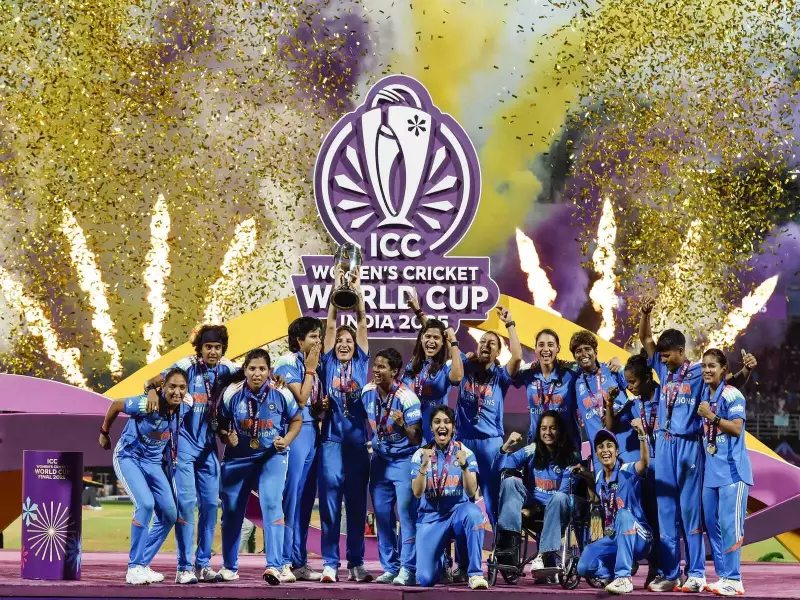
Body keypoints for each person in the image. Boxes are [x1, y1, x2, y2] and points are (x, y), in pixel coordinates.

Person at [638, 296, 755, 593]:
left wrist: (746, 371)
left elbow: (728, 385)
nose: (663, 360)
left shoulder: (699, 372)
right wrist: (645, 314)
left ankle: (697, 573)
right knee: (666, 512)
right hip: (664, 445)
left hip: (690, 446)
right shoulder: (663, 367)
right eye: (661, 357)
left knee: (691, 512)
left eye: (667, 356)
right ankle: (670, 573)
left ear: (681, 351)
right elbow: (646, 339)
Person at [141, 325, 238, 583]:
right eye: (208, 347)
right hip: (182, 445)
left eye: (217, 347)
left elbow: (253, 374)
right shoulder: (187, 365)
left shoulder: (227, 368)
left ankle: (202, 565)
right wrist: (150, 390)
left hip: (208, 447)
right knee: (186, 505)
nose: (213, 352)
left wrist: (276, 378)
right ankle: (183, 567)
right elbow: (153, 381)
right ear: (200, 348)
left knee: (210, 505)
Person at [217, 348, 303, 585]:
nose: (257, 373)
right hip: (238, 458)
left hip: (271, 456)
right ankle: (229, 567)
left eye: (262, 369)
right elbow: (221, 422)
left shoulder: (281, 391)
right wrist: (226, 436)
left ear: (269, 371)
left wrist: (287, 440)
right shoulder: (232, 392)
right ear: (245, 370)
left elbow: (297, 420)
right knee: (231, 512)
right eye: (252, 368)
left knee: (272, 504)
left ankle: (275, 566)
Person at [99, 368, 190, 585]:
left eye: (182, 387)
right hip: (129, 457)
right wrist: (104, 433)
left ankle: (142, 564)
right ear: (163, 387)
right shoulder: (146, 404)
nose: (177, 392)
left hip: (153, 463)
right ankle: (133, 568)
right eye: (172, 387)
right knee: (146, 504)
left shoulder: (185, 406)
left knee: (169, 514)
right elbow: (115, 405)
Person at [316, 272, 372, 583]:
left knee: (356, 505)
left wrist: (357, 290)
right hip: (331, 442)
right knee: (329, 504)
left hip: (357, 444)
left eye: (349, 341)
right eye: (340, 341)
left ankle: (356, 562)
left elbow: (361, 322)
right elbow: (330, 325)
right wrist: (337, 291)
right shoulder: (327, 363)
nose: (344, 344)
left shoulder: (362, 363)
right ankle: (329, 562)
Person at [455, 306, 522, 538]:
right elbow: (447, 349)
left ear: (498, 352)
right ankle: (463, 556)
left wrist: (510, 324)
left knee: (493, 500)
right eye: (482, 341)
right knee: (462, 499)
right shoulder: (464, 366)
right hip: (463, 442)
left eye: (492, 343)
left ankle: (500, 550)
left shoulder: (501, 376)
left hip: (491, 444)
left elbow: (518, 357)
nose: (485, 345)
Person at [362, 348, 423, 586]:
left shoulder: (407, 398)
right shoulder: (367, 392)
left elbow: (417, 438)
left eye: (382, 367)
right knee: (382, 516)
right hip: (380, 460)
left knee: (406, 517)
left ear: (395, 371)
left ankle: (408, 568)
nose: (376, 370)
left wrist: (402, 426)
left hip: (404, 460)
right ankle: (390, 567)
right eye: (375, 366)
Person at [411, 405, 488, 590]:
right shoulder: (420, 454)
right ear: (431, 428)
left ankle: (475, 574)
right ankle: (442, 562)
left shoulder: (465, 452)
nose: (442, 426)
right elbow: (417, 492)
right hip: (431, 518)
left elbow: (471, 492)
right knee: (425, 578)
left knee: (474, 514)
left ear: (453, 427)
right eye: (437, 422)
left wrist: (464, 467)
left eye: (447, 422)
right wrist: (424, 466)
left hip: (457, 514)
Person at [492, 410, 580, 573]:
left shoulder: (572, 456)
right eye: (543, 428)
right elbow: (502, 467)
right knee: (510, 481)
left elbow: (565, 491)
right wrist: (507, 446)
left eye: (553, 428)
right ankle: (508, 543)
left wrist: (535, 509)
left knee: (559, 496)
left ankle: (542, 555)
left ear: (560, 430)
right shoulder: (531, 449)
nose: (548, 432)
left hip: (558, 513)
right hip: (533, 509)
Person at [698, 349, 753, 596]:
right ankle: (724, 577)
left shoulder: (733, 394)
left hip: (733, 473)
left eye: (712, 366)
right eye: (704, 366)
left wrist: (711, 416)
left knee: (731, 526)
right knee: (713, 526)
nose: (707, 370)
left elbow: (736, 428)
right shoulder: (704, 393)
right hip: (711, 474)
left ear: (723, 370)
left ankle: (734, 579)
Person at [273, 317, 323, 582]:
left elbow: (311, 401)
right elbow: (301, 399)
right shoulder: (288, 361)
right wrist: (311, 370)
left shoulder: (310, 363)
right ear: (298, 340)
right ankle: (282, 561)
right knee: (290, 499)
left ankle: (299, 561)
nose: (318, 341)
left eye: (319, 336)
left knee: (304, 501)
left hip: (312, 431)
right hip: (296, 432)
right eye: (313, 336)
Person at [605, 352, 660, 586]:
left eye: (633, 382)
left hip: (665, 471)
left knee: (663, 523)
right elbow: (609, 427)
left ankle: (665, 570)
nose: (630, 387)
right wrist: (609, 403)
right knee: (645, 519)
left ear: (647, 378)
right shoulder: (634, 404)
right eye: (627, 382)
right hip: (644, 473)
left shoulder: (665, 398)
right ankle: (650, 568)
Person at [576, 427, 652, 595]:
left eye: (609, 446)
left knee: (623, 514)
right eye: (600, 447)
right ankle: (613, 573)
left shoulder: (627, 470)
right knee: (583, 566)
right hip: (615, 537)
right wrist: (587, 478)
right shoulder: (599, 478)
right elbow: (597, 500)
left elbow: (644, 463)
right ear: (596, 453)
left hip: (639, 536)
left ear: (617, 451)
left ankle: (624, 578)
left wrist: (641, 436)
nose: (605, 450)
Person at [404, 291, 464, 443]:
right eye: (427, 337)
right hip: (410, 434)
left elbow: (457, 378)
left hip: (434, 437)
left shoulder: (446, 365)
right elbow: (430, 329)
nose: (431, 341)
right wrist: (418, 311)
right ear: (421, 338)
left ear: (443, 342)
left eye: (437, 338)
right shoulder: (413, 365)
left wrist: (453, 341)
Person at [569, 330, 627, 474]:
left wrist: (620, 363)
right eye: (578, 351)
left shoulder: (612, 369)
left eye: (587, 349)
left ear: (595, 351)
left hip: (625, 446)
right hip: (600, 454)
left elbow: (637, 385)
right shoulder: (574, 383)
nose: (583, 354)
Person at [513, 329, 581, 450]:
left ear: (558, 348)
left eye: (550, 345)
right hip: (537, 446)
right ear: (535, 348)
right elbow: (502, 374)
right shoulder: (526, 372)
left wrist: (615, 362)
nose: (545, 349)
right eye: (541, 345)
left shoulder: (571, 371)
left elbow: (596, 369)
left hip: (567, 446)